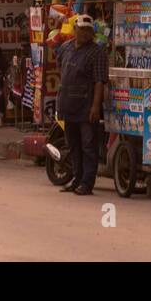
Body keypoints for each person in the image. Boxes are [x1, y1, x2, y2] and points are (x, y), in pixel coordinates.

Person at [55, 14, 108, 196]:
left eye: (88, 30)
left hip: (86, 107)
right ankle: (76, 178)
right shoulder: (65, 48)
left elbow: (99, 82)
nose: (84, 33)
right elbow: (60, 69)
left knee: (88, 145)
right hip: (67, 104)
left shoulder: (97, 52)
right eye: (81, 29)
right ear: (75, 30)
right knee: (73, 145)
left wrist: (95, 107)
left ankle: (87, 182)